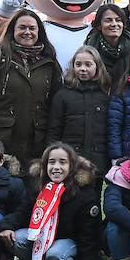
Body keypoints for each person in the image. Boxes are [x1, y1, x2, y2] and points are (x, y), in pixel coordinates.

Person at [0, 142, 103, 260]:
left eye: (62, 162)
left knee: (56, 255)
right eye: (51, 162)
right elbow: (23, 212)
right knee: (17, 238)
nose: (56, 167)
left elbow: (88, 238)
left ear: (72, 166)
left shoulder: (85, 194)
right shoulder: (39, 187)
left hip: (68, 242)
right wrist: (7, 226)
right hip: (43, 239)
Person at [0, 8, 61, 171]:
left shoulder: (49, 62)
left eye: (32, 28)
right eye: (22, 28)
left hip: (37, 145)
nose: (27, 32)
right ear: (13, 30)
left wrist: (51, 143)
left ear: (39, 32)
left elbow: (56, 104)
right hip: (1, 143)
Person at [48, 46, 111, 177]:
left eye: (88, 64)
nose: (83, 69)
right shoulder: (62, 95)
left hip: (97, 160)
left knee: (93, 196)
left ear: (97, 67)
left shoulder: (105, 96)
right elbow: (54, 129)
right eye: (78, 64)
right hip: (69, 160)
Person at [84, 2, 130, 85]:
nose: (114, 24)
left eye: (118, 20)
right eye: (108, 20)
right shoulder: (88, 49)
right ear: (99, 25)